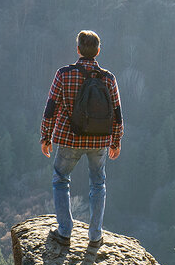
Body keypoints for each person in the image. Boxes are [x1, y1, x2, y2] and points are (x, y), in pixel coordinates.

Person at [40, 30, 123, 245]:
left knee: (61, 179)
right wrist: (116, 141)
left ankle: (65, 231)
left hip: (69, 139)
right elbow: (117, 111)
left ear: (78, 49)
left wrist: (45, 137)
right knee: (98, 183)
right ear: (98, 51)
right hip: (99, 141)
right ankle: (95, 236)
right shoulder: (108, 78)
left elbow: (51, 107)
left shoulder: (64, 74)